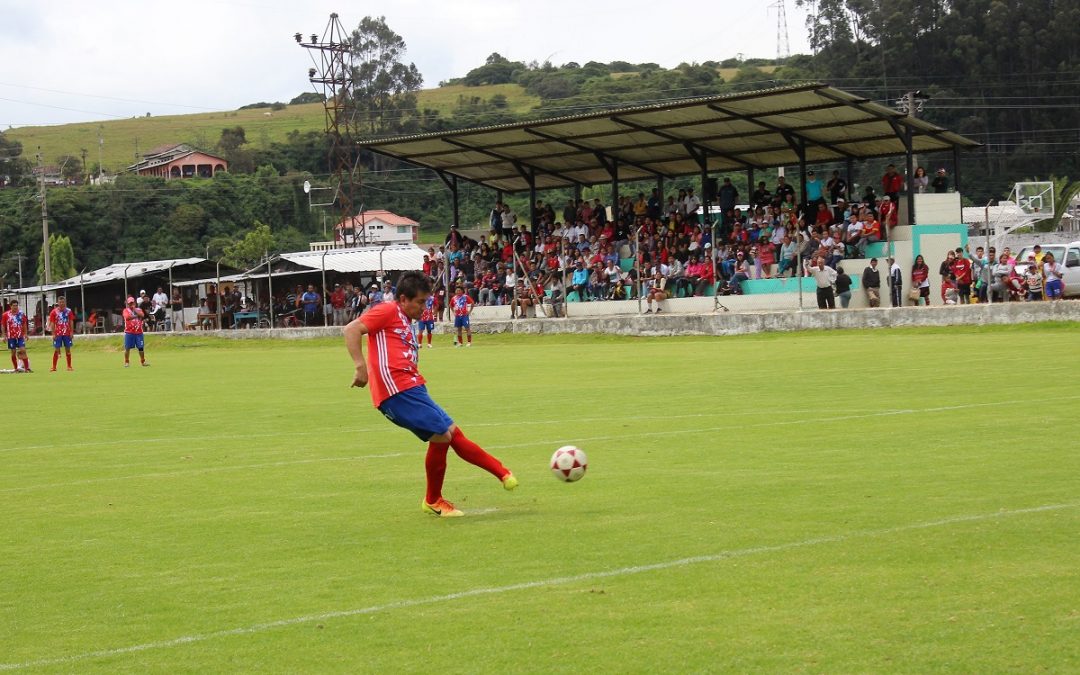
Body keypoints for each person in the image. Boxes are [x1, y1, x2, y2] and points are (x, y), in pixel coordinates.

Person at [343, 271, 517, 518]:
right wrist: (360, 366)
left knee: (452, 432)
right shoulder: (388, 310)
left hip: (413, 387)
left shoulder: (404, 319)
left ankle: (503, 474)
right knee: (441, 435)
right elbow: (351, 329)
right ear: (403, 299)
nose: (423, 307)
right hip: (395, 391)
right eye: (420, 302)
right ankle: (433, 500)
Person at [47, 296, 75, 371]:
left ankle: (69, 366)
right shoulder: (54, 312)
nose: (62, 303)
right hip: (58, 333)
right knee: (56, 349)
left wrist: (72, 332)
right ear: (58, 303)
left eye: (63, 302)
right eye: (60, 302)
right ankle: (54, 367)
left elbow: (71, 321)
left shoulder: (69, 311)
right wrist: (53, 334)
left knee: (68, 349)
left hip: (67, 333)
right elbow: (52, 323)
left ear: (65, 302)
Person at [2, 299, 31, 372]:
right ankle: (16, 368)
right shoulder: (6, 315)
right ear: (10, 306)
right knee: (13, 352)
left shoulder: (21, 314)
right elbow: (3, 325)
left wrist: (26, 334)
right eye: (14, 306)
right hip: (11, 337)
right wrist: (4, 335)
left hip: (20, 336)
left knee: (23, 350)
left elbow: (24, 324)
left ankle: (27, 368)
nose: (15, 307)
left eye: (16, 305)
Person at [122, 296, 148, 367]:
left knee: (141, 348)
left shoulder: (138, 309)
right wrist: (136, 316)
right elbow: (127, 317)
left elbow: (142, 315)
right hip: (129, 332)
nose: (131, 304)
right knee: (127, 348)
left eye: (132, 303)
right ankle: (127, 362)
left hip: (139, 332)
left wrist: (135, 310)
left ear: (135, 303)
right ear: (127, 304)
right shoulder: (126, 310)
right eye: (130, 303)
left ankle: (143, 361)